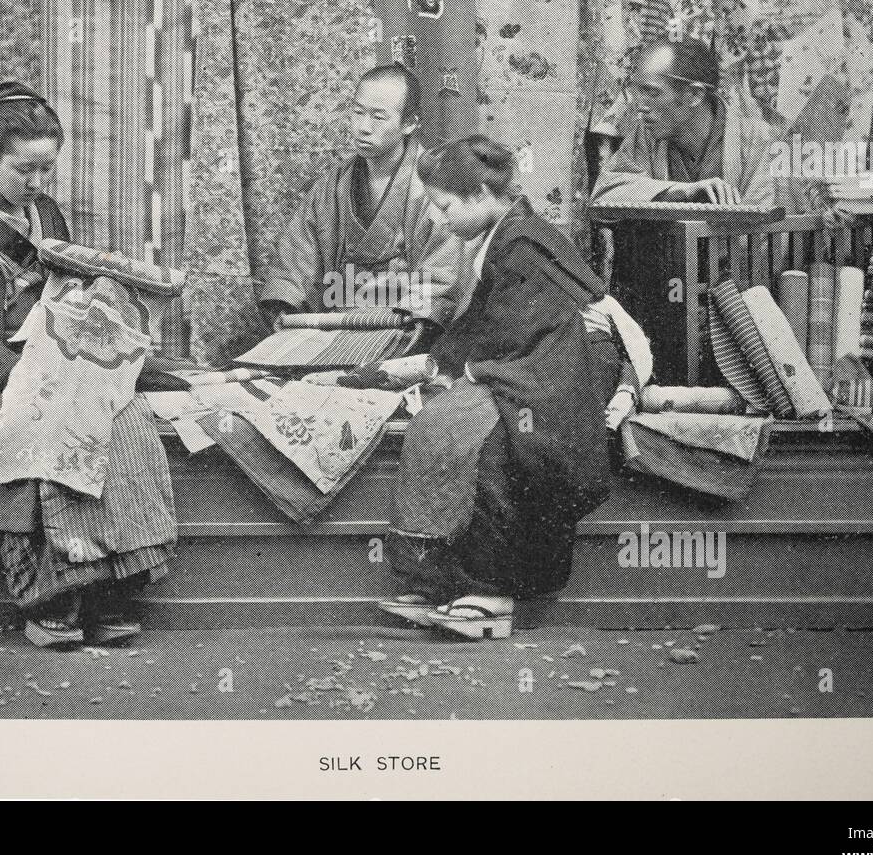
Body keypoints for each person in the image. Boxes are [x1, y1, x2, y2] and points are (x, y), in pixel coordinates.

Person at [0, 82, 169, 649]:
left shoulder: (45, 214)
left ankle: (108, 587)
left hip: (58, 358)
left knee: (124, 414)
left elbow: (67, 296)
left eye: (47, 170)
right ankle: (52, 598)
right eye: (24, 170)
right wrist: (24, 366)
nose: (37, 185)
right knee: (42, 422)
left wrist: (97, 312)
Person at [378, 137, 642, 640]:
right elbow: (489, 322)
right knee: (450, 416)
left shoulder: (522, 243)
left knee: (499, 438)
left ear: (480, 193)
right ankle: (443, 581)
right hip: (540, 354)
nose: (438, 219)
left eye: (445, 206)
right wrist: (435, 365)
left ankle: (491, 592)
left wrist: (464, 370)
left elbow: (517, 328)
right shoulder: (502, 235)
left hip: (571, 361)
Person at [258, 65, 468, 348]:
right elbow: (298, 257)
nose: (363, 127)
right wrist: (286, 304)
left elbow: (442, 280)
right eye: (358, 112)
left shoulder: (432, 189)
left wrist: (411, 327)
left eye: (379, 117)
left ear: (409, 124)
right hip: (331, 329)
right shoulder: (333, 185)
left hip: (400, 331)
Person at [591, 37, 789, 208]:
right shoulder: (647, 133)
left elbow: (765, 240)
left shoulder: (760, 139)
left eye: (652, 92)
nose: (640, 106)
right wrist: (677, 191)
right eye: (638, 91)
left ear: (694, 95)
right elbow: (603, 195)